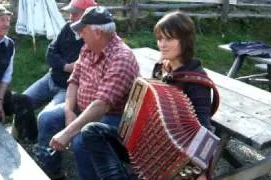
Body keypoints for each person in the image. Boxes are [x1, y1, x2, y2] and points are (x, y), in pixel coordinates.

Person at [79, 11, 213, 180]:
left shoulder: (197, 82)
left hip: (169, 158)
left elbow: (204, 129)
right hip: (146, 146)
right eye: (160, 38)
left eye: (169, 39)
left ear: (185, 41)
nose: (162, 44)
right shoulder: (161, 69)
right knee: (92, 131)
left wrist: (199, 170)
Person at [49, 6, 139, 180]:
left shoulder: (121, 58)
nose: (80, 35)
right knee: (47, 119)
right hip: (85, 109)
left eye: (83, 30)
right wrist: (68, 111)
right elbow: (74, 80)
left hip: (113, 116)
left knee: (81, 140)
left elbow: (102, 105)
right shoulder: (88, 48)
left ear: (97, 32)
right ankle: (53, 170)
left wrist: (68, 132)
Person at [21, 0, 98, 178]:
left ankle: (50, 166)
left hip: (67, 88)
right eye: (70, 12)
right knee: (23, 101)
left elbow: (82, 72)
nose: (70, 17)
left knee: (47, 117)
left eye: (75, 13)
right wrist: (65, 66)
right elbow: (50, 52)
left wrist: (67, 67)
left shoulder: (93, 38)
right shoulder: (68, 28)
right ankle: (29, 140)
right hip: (52, 77)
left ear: (88, 16)